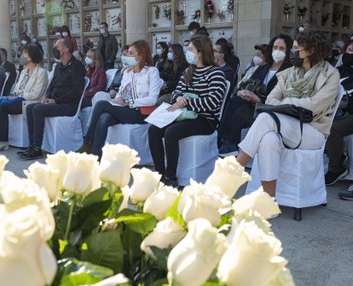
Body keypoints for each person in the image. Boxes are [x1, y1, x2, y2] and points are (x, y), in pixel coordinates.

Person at [236, 30, 339, 197]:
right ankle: (268, 200)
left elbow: (313, 106)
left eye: (297, 48)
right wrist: (287, 107)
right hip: (285, 126)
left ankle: (233, 171)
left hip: (312, 131)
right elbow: (270, 100)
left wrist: (284, 104)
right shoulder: (291, 73)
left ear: (311, 50)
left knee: (265, 117)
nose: (293, 52)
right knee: (268, 139)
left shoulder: (331, 74)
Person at [148, 35, 226, 187]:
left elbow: (213, 101)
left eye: (190, 50)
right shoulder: (188, 71)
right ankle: (160, 173)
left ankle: (171, 177)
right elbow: (177, 92)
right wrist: (178, 99)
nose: (187, 53)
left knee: (171, 133)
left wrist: (187, 103)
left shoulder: (216, 74)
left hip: (205, 119)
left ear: (201, 52)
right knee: (153, 129)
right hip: (183, 114)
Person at [77, 39, 163, 158]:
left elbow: (152, 99)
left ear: (141, 54)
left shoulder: (152, 72)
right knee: (104, 117)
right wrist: (117, 100)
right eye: (128, 53)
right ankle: (96, 157)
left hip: (140, 112)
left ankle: (87, 143)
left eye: (131, 53)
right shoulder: (127, 72)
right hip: (124, 110)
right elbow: (121, 93)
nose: (128, 56)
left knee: (101, 104)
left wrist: (128, 102)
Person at [218, 34, 293, 156]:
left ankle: (229, 144)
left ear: (288, 50)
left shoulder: (289, 71)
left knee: (240, 109)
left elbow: (283, 97)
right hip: (251, 105)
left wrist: (259, 99)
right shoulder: (264, 68)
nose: (277, 51)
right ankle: (226, 142)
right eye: (275, 47)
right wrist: (241, 91)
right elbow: (247, 83)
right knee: (236, 100)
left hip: (269, 110)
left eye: (281, 48)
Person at [18, 39, 85, 160]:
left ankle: (37, 149)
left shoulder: (77, 66)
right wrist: (48, 98)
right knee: (30, 107)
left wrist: (56, 101)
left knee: (38, 109)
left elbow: (76, 91)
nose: (55, 49)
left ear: (66, 49)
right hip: (55, 102)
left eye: (57, 47)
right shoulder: (59, 66)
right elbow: (51, 86)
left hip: (68, 106)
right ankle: (31, 145)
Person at [0, 44, 48, 152]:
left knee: (2, 107)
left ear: (31, 57)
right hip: (18, 99)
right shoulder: (24, 71)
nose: (21, 57)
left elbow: (36, 93)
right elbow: (17, 88)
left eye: (24, 54)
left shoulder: (42, 72)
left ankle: (2, 140)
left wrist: (19, 96)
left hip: (29, 102)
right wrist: (12, 95)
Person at [324, 39, 353, 186]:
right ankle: (336, 156)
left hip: (350, 113)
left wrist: (346, 105)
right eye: (349, 50)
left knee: (332, 129)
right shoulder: (339, 71)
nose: (350, 54)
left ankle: (336, 168)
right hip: (334, 110)